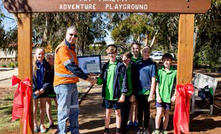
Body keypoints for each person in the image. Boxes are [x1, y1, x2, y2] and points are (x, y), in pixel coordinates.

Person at [54, 26, 97, 134]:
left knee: (74, 111)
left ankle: (75, 132)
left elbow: (77, 67)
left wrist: (88, 72)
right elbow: (71, 67)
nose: (73, 37)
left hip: (72, 85)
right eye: (70, 34)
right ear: (65, 34)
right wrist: (87, 78)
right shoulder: (63, 48)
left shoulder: (71, 49)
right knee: (63, 113)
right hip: (63, 85)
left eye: (75, 35)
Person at [97, 44, 128, 134]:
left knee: (118, 113)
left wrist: (123, 94)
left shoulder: (121, 66)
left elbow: (125, 82)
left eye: (113, 53)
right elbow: (101, 80)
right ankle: (106, 130)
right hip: (107, 95)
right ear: (107, 54)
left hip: (117, 95)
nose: (111, 55)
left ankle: (118, 131)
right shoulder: (105, 66)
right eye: (109, 53)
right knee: (107, 113)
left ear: (116, 53)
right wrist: (94, 78)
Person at [134, 46, 156, 134]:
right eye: (145, 51)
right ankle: (140, 128)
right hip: (138, 91)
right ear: (141, 52)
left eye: (148, 52)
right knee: (139, 110)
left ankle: (146, 128)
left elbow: (154, 79)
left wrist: (151, 94)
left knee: (146, 111)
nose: (146, 53)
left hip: (147, 91)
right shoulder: (137, 63)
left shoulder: (152, 64)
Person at [154, 53, 176, 134]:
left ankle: (164, 129)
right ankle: (157, 129)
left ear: (171, 61)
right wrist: (158, 96)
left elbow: (177, 85)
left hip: (168, 97)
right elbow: (157, 84)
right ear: (162, 61)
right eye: (165, 60)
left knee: (166, 113)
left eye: (168, 60)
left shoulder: (174, 72)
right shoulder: (160, 71)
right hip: (160, 96)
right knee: (159, 113)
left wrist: (175, 95)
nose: (166, 62)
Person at [32, 47, 52, 133]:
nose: (41, 55)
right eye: (39, 54)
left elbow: (49, 79)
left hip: (43, 90)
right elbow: (30, 78)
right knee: (34, 108)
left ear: (44, 55)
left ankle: (42, 124)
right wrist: (35, 89)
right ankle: (35, 124)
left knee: (43, 108)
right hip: (35, 90)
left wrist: (43, 88)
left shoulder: (47, 65)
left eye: (42, 54)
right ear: (36, 54)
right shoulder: (32, 64)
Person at [121, 51, 136, 134]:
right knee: (121, 112)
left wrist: (133, 94)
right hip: (121, 94)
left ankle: (124, 126)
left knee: (127, 111)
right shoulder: (119, 67)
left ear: (130, 59)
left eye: (128, 58)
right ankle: (120, 127)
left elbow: (135, 81)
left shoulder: (132, 67)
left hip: (130, 93)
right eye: (125, 57)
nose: (126, 59)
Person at [128, 42, 142, 128]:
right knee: (131, 103)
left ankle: (136, 120)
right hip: (130, 84)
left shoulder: (142, 59)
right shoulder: (129, 59)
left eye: (137, 48)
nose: (135, 50)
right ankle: (130, 120)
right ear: (131, 49)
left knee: (137, 103)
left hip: (139, 84)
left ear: (139, 49)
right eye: (134, 48)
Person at [45, 53, 57, 129]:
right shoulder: (45, 67)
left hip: (55, 87)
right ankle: (51, 121)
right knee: (48, 105)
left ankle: (61, 120)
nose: (51, 60)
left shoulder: (56, 67)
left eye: (52, 58)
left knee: (58, 104)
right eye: (49, 58)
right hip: (47, 88)